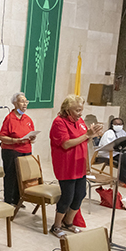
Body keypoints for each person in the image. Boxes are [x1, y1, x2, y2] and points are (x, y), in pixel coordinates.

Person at [49, 95, 103, 238]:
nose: (80, 113)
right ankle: (56, 226)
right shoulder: (59, 123)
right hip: (66, 165)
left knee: (80, 194)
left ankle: (68, 222)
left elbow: (85, 140)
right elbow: (66, 144)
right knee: (67, 196)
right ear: (67, 110)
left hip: (79, 164)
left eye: (81, 110)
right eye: (77, 110)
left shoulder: (79, 122)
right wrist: (87, 135)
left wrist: (94, 134)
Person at [0, 92, 36, 206]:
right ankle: (9, 199)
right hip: (12, 151)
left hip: (26, 150)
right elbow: (1, 137)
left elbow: (31, 136)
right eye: (22, 101)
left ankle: (19, 198)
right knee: (11, 175)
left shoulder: (28, 119)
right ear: (15, 103)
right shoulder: (9, 118)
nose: (25, 104)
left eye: (26, 102)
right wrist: (16, 141)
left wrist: (32, 138)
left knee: (23, 176)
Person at [97, 117, 126, 187]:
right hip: (108, 153)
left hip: (118, 152)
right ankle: (122, 180)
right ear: (112, 125)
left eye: (120, 124)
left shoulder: (122, 132)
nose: (118, 125)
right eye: (116, 124)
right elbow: (107, 146)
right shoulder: (109, 133)